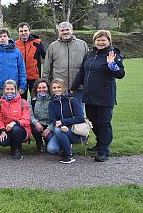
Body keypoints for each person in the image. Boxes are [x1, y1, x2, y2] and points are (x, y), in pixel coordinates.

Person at [71, 30, 125, 162]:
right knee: (93, 122)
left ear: (109, 41)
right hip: (89, 95)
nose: (100, 42)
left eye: (103, 40)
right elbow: (82, 72)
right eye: (98, 40)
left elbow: (121, 74)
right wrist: (73, 87)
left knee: (104, 123)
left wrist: (112, 65)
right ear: (94, 41)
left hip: (105, 96)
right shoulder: (90, 54)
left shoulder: (113, 54)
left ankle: (104, 150)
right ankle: (99, 143)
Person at [42, 21, 89, 106]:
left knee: (78, 114)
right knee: (61, 114)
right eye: (62, 30)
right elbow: (47, 68)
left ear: (72, 30)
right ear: (59, 32)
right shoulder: (53, 46)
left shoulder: (82, 44)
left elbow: (88, 66)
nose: (65, 32)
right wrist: (47, 84)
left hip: (78, 88)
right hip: (59, 88)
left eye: (67, 30)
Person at [46, 79, 86, 164]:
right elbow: (52, 120)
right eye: (54, 88)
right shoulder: (51, 103)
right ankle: (65, 146)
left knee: (57, 130)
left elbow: (80, 118)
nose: (56, 89)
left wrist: (63, 122)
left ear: (64, 87)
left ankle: (69, 155)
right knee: (52, 149)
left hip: (74, 131)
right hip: (61, 130)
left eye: (59, 87)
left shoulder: (72, 100)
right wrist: (61, 126)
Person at [0, 28, 27, 101]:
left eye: (4, 36)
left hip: (12, 88)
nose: (2, 38)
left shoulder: (17, 52)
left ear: (9, 37)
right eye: (0, 36)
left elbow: (22, 69)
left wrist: (23, 85)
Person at [0, 80, 31, 161]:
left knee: (16, 129)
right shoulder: (0, 103)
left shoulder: (23, 102)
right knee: (3, 141)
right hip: (7, 129)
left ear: (16, 90)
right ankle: (13, 146)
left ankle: (18, 150)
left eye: (12, 89)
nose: (9, 91)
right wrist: (2, 131)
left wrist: (14, 122)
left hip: (22, 129)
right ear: (4, 90)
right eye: (7, 89)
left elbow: (26, 120)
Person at [15, 23, 47, 99]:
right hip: (20, 78)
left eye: (25, 30)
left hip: (34, 77)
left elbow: (46, 56)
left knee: (35, 101)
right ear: (18, 33)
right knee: (21, 101)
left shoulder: (37, 43)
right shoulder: (15, 44)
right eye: (21, 31)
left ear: (29, 31)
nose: (23, 33)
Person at [29, 78, 54, 152]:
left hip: (50, 124)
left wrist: (49, 129)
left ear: (48, 88)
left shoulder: (53, 100)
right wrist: (35, 122)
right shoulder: (32, 100)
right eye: (39, 88)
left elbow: (56, 117)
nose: (41, 90)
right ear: (36, 89)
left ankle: (47, 143)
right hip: (38, 123)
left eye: (44, 87)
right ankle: (39, 143)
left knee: (49, 141)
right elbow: (30, 115)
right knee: (34, 129)